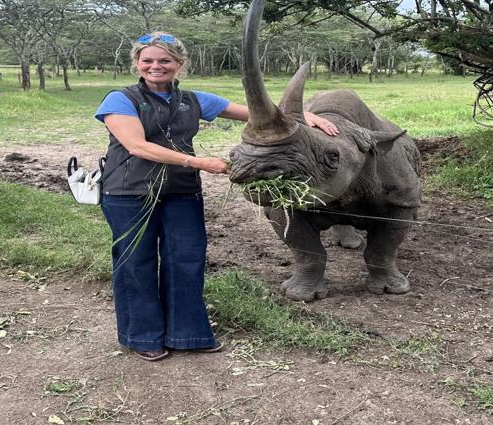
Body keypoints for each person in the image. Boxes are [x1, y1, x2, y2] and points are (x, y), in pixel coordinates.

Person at [95, 32, 339, 360]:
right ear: (137, 63)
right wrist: (200, 163)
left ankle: (188, 334)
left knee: (187, 259)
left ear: (179, 64)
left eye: (165, 60)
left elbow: (256, 113)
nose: (156, 66)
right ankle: (141, 336)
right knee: (135, 262)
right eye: (148, 60)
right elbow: (137, 145)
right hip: (129, 192)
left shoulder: (193, 101)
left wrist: (303, 116)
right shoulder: (120, 99)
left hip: (180, 191)